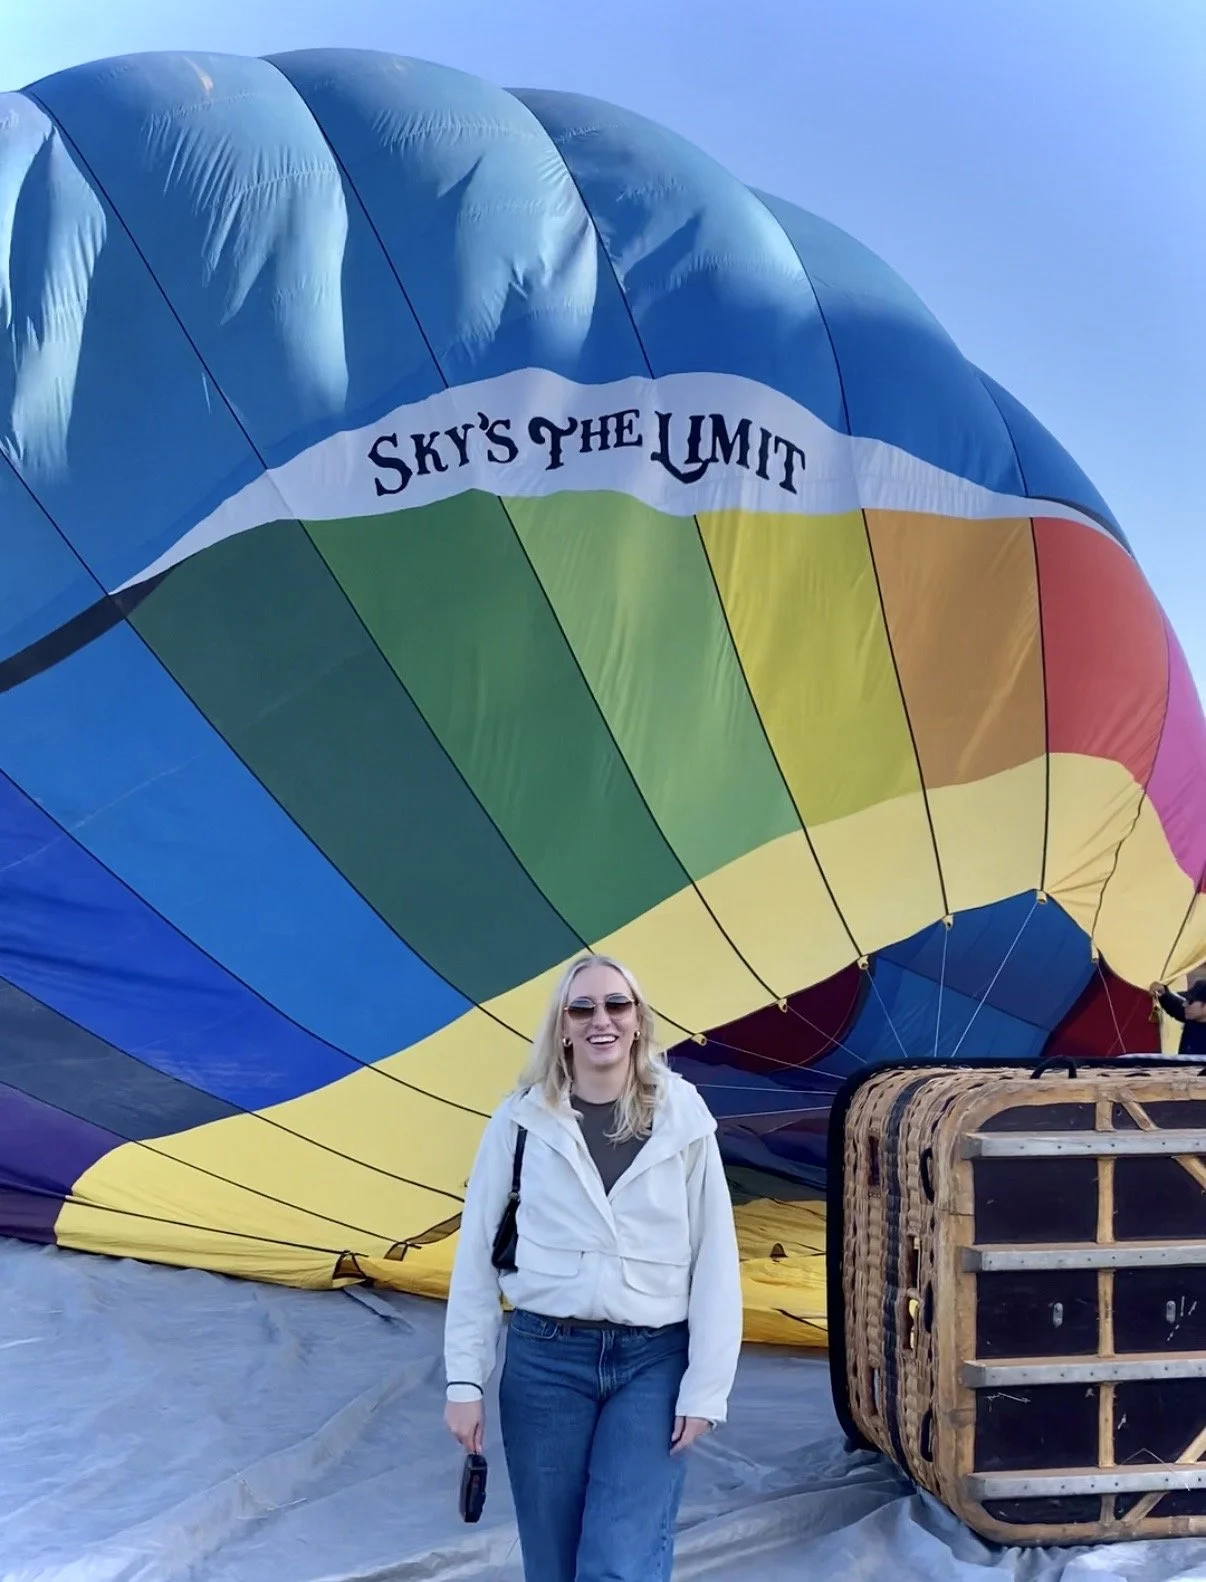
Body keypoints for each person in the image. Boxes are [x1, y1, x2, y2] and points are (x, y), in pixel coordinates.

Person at [442, 952, 743, 1582]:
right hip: (544, 1359)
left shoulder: (685, 1121)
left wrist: (706, 1388)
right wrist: (464, 1381)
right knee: (552, 1560)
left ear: (639, 1021)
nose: (600, 1020)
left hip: (653, 1362)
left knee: (620, 1558)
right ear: (562, 1027)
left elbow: (716, 1262)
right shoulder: (519, 1122)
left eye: (616, 1005)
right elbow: (475, 1260)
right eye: (582, 1008)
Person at [1150, 979, 1206, 1056]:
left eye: (1190, 1001)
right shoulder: (1190, 1016)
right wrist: (1163, 993)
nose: (1185, 1004)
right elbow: (1175, 1005)